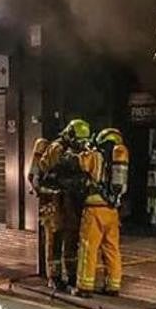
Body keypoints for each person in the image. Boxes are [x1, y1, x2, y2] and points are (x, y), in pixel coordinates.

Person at [30, 119, 91, 290]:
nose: (81, 144)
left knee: (71, 238)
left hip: (67, 200)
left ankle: (71, 275)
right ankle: (54, 277)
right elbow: (59, 173)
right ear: (70, 135)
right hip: (53, 200)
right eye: (78, 139)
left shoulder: (74, 150)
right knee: (54, 239)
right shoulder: (57, 149)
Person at [74, 127, 130, 297]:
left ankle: (85, 286)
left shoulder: (96, 156)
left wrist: (85, 148)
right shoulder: (119, 159)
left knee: (88, 249)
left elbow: (80, 163)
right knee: (111, 248)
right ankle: (113, 285)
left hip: (94, 210)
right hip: (112, 211)